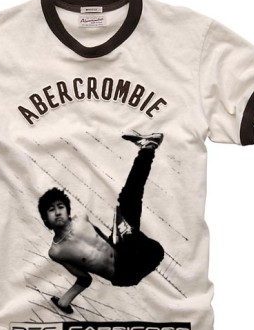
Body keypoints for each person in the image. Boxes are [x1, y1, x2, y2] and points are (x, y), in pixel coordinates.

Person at [37, 131, 165, 314]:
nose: (57, 212)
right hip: (124, 274)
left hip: (127, 250)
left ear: (67, 209)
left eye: (60, 207)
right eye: (51, 210)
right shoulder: (56, 251)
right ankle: (127, 234)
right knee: (153, 248)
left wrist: (117, 239)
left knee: (129, 198)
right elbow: (84, 279)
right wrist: (63, 302)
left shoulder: (81, 220)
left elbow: (104, 238)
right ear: (45, 219)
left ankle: (148, 148)